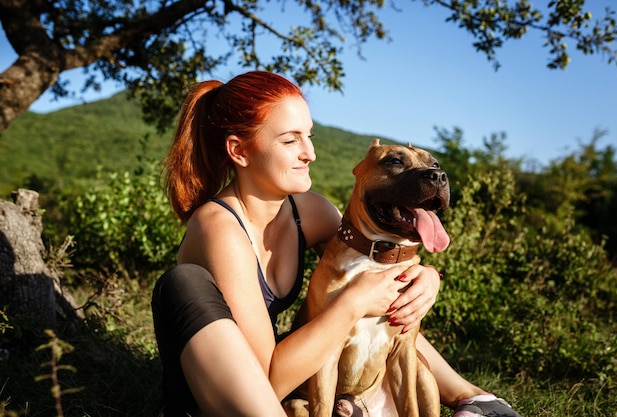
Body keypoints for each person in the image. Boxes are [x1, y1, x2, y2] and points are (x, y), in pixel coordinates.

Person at [151, 71, 523, 417]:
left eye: (309, 135)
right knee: (184, 282)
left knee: (375, 308)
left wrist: (427, 277)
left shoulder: (308, 211)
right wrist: (353, 301)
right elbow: (264, 382)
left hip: (271, 378)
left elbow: (375, 262)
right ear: (240, 151)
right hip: (222, 394)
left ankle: (475, 400)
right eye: (290, 140)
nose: (309, 153)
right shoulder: (221, 227)